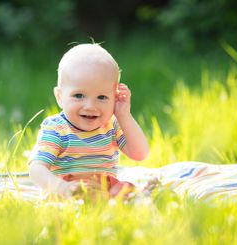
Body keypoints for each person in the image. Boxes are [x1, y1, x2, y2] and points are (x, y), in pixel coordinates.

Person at [29, 43, 149, 199]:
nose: (90, 106)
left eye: (102, 97)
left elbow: (140, 154)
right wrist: (61, 188)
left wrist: (124, 116)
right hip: (70, 190)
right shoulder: (57, 128)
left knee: (129, 191)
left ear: (115, 98)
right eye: (79, 95)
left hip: (105, 189)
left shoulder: (112, 125)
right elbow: (37, 168)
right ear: (60, 97)